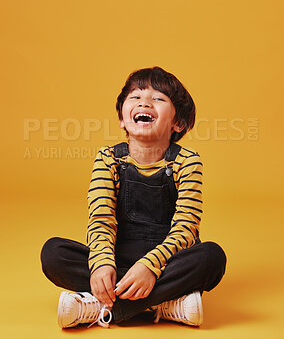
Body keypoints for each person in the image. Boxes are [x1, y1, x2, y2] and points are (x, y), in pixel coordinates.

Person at [41, 66, 227, 329]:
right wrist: (101, 266)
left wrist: (150, 266)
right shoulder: (108, 158)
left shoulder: (187, 162)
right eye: (135, 96)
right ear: (121, 119)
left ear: (178, 123)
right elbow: (101, 220)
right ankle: (164, 303)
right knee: (53, 253)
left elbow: (186, 229)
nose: (145, 102)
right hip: (118, 261)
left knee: (212, 257)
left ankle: (104, 308)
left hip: (165, 262)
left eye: (158, 99)